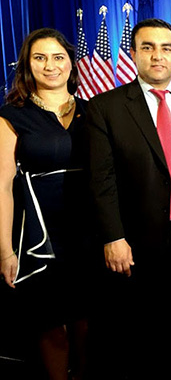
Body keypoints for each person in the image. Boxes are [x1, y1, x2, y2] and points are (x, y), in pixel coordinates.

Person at [85, 18, 171, 378]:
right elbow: (100, 178)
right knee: (140, 335)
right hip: (135, 241)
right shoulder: (105, 107)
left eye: (166, 48)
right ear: (134, 53)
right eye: (148, 48)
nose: (158, 56)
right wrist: (112, 236)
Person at [0, 28, 96, 380]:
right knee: (50, 323)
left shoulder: (94, 112)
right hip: (39, 235)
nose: (50, 65)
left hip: (89, 231)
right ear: (27, 65)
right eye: (39, 58)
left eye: (58, 57)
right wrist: (5, 252)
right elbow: (2, 186)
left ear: (71, 63)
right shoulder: (12, 115)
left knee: (88, 322)